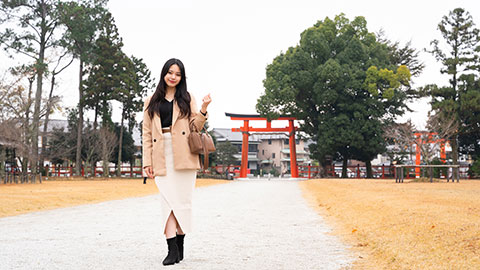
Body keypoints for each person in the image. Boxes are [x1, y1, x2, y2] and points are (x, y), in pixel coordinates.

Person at [142, 58, 211, 266]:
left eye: (178, 74)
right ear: (164, 74)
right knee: (167, 201)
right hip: (160, 153)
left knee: (181, 202)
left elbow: (195, 127)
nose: (173, 77)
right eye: (170, 72)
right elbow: (146, 133)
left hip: (184, 154)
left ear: (182, 78)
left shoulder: (188, 98)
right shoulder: (151, 101)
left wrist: (204, 109)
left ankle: (180, 245)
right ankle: (172, 248)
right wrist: (147, 162)